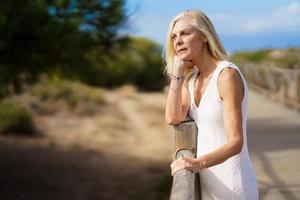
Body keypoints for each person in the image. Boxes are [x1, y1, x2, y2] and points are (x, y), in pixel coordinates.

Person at [164, 10, 259, 200]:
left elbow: (235, 142)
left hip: (233, 185)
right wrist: (176, 75)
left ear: (204, 36)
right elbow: (173, 118)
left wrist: (195, 164)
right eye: (174, 37)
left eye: (185, 33)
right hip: (209, 185)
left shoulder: (227, 75)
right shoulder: (190, 81)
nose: (177, 41)